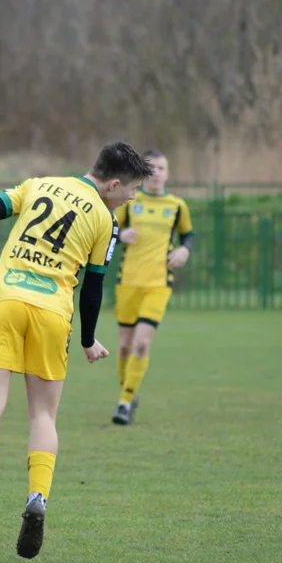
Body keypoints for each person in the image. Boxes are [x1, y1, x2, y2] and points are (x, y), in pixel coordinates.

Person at [0, 141, 153, 559]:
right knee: (43, 414)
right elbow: (94, 285)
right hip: (52, 312)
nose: (133, 198)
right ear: (114, 184)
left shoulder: (39, 184)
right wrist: (87, 339)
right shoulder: (105, 219)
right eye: (132, 190)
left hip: (5, 301)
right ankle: (37, 500)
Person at [110, 150, 194, 426]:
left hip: (159, 284)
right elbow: (108, 229)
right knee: (124, 347)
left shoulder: (177, 205)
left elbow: (188, 235)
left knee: (141, 344)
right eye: (151, 168)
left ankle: (124, 403)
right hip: (128, 282)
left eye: (162, 167)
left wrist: (184, 250)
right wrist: (120, 235)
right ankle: (128, 393)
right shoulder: (130, 201)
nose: (157, 172)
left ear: (168, 173)